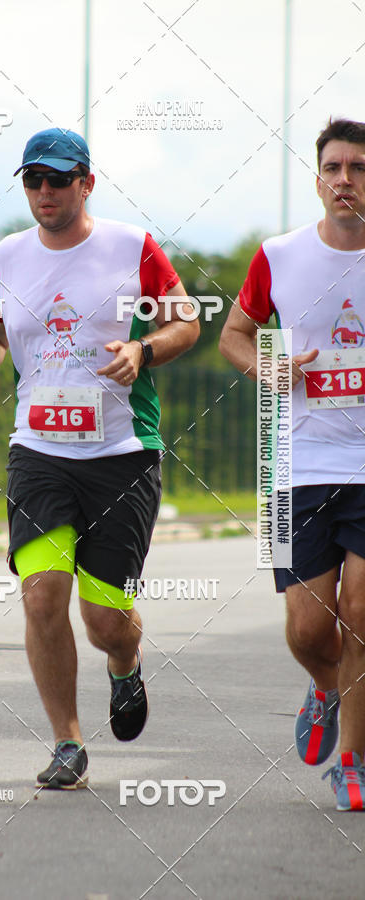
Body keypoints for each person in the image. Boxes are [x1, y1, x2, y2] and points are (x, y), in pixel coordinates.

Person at [0, 127, 199, 789]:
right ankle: (67, 742)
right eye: (33, 180)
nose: (44, 192)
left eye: (57, 180)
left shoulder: (131, 248)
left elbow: (187, 320)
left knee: (104, 621)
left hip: (121, 453)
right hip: (38, 451)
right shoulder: (6, 256)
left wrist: (143, 351)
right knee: (41, 597)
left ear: (87, 183)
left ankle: (126, 666)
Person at [219, 118, 365, 811]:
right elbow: (234, 336)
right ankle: (324, 688)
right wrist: (270, 369)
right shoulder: (277, 256)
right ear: (318, 180)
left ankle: (354, 760)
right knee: (310, 629)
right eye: (335, 168)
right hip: (296, 466)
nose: (346, 180)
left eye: (359, 168)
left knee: (361, 614)